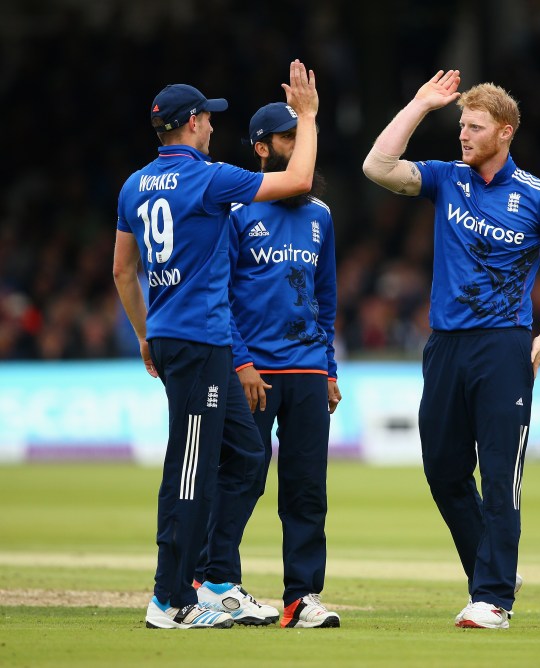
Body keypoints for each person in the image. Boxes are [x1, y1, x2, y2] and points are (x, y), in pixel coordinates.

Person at [361, 70, 540, 629]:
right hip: (444, 345)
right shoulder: (448, 178)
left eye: (475, 126)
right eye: (461, 125)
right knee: (443, 470)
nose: (463, 135)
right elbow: (376, 167)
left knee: (499, 476)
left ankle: (493, 598)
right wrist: (420, 103)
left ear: (505, 132)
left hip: (503, 347)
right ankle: (490, 576)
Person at [113, 61, 319, 630]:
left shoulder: (134, 184)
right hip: (200, 340)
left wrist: (144, 334)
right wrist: (307, 118)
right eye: (207, 117)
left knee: (249, 456)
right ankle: (169, 600)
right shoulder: (208, 178)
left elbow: (122, 271)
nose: (212, 125)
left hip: (180, 338)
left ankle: (213, 580)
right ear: (193, 123)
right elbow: (298, 180)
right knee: (189, 467)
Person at [200, 101, 341, 629]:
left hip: (306, 370)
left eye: (305, 135)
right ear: (262, 148)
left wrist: (328, 368)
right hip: (253, 371)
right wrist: (241, 363)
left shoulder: (321, 216)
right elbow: (219, 294)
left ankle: (300, 598)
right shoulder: (236, 212)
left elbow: (325, 299)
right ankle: (215, 584)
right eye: (289, 138)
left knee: (306, 489)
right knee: (240, 480)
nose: (302, 146)